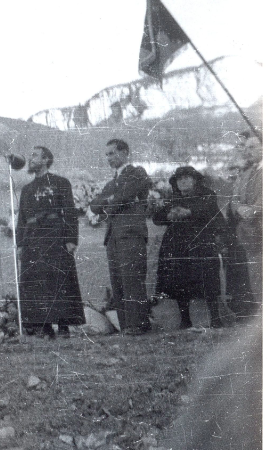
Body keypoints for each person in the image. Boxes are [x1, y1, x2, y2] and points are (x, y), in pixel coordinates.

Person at [15, 146, 85, 338]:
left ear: (46, 160)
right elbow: (22, 218)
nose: (31, 159)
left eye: (35, 155)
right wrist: (20, 244)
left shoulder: (60, 183)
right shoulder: (27, 190)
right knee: (36, 283)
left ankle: (63, 326)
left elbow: (70, 212)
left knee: (60, 281)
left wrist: (71, 240)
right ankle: (43, 326)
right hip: (33, 241)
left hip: (55, 237)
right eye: (30, 155)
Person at [90, 139, 152, 335]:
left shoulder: (137, 172)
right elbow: (94, 205)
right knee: (118, 280)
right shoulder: (112, 182)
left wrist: (109, 201)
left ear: (125, 152)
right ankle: (126, 325)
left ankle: (138, 324)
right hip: (114, 235)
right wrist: (112, 200)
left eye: (113, 153)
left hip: (131, 233)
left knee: (132, 278)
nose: (109, 158)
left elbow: (125, 195)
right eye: (107, 154)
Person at [152, 166, 226, 329]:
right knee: (179, 281)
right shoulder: (173, 198)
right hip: (177, 246)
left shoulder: (207, 195)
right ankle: (185, 320)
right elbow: (157, 217)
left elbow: (208, 211)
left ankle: (215, 318)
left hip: (201, 244)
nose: (183, 181)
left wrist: (189, 212)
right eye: (179, 179)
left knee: (208, 279)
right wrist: (168, 215)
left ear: (195, 180)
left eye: (187, 177)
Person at [227, 131, 262, 314]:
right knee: (256, 278)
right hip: (250, 235)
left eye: (252, 147)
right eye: (246, 147)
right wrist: (239, 209)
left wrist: (254, 209)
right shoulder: (246, 173)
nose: (247, 151)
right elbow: (234, 198)